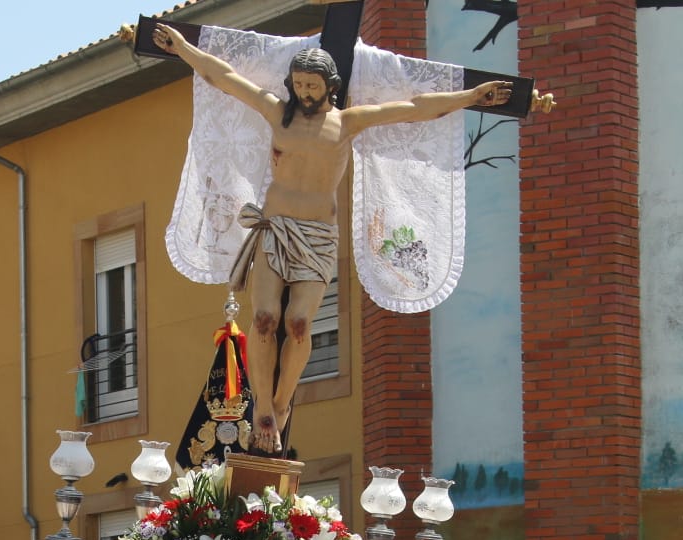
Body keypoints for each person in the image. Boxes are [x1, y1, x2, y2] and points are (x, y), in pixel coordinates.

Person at [151, 26, 509, 451]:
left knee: (298, 325)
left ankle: (281, 405)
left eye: (312, 86)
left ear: (330, 88)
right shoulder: (275, 110)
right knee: (264, 319)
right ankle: (262, 405)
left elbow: (415, 107)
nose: (304, 92)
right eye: (299, 84)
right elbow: (223, 77)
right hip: (276, 229)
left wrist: (470, 97)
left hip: (318, 238)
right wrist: (184, 48)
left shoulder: (346, 123)